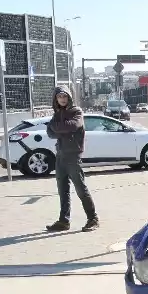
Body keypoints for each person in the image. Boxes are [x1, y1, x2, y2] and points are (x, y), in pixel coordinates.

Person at [45, 86, 99, 232]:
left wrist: (58, 128)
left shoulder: (77, 112)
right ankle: (64, 221)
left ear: (69, 97)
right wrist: (61, 129)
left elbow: (73, 125)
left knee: (81, 188)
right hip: (60, 156)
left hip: (73, 156)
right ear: (56, 99)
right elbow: (50, 132)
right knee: (63, 190)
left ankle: (93, 219)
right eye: (59, 97)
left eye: (64, 96)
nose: (62, 99)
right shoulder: (57, 114)